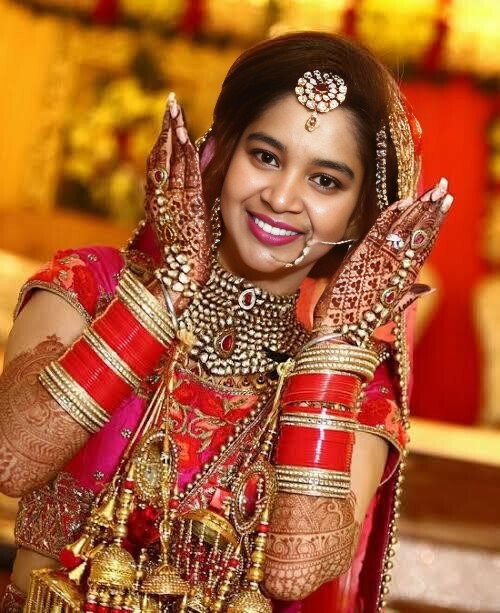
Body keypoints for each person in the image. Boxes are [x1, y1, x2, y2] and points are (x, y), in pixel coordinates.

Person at [0, 32, 452, 612]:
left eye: (325, 180)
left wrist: (333, 350)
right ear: (222, 151)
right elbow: (12, 460)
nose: (281, 197)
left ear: (359, 216)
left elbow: (293, 573)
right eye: (265, 156)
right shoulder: (92, 287)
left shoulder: (355, 391)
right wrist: (162, 297)